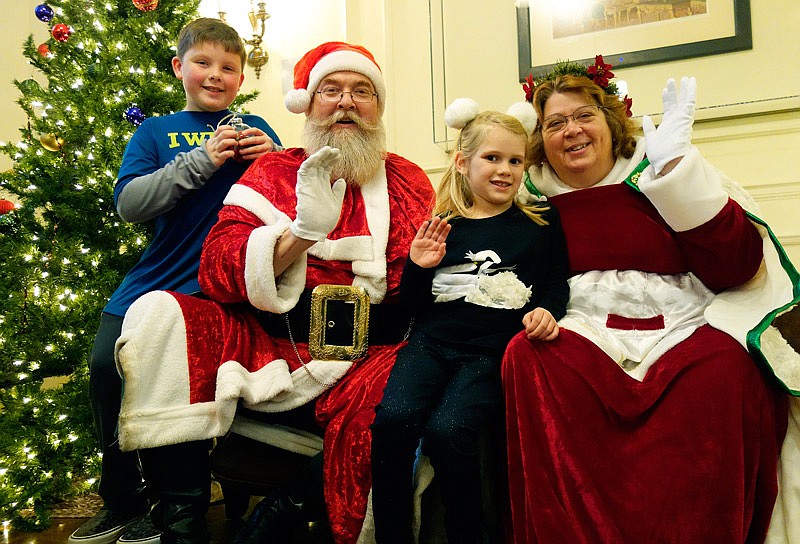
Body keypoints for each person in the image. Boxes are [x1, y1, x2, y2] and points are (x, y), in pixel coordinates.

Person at [112, 41, 436, 544]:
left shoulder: (407, 180)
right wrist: (301, 234)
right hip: (272, 344)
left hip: (371, 351)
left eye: (362, 92)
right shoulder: (273, 171)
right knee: (160, 314)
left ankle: (290, 506)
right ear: (309, 102)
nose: (347, 102)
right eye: (331, 90)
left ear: (378, 107)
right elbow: (217, 267)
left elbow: (420, 285)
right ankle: (181, 524)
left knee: (399, 407)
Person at [502, 56, 800, 543]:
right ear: (541, 138)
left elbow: (737, 266)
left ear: (610, 121)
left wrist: (678, 173)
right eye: (555, 122)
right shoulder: (527, 199)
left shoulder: (660, 167)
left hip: (682, 320)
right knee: (527, 357)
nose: (571, 131)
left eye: (584, 116)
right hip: (580, 324)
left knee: (728, 369)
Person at [68, 17, 281, 544]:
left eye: (228, 67)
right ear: (178, 67)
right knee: (105, 373)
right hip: (153, 280)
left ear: (240, 76)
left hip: (218, 292)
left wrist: (273, 160)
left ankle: (172, 508)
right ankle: (120, 498)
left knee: (182, 385)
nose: (216, 75)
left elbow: (284, 205)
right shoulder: (155, 131)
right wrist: (202, 160)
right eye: (203, 63)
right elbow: (131, 205)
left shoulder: (258, 128)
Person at [370, 102, 569, 544]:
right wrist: (418, 267)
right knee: (393, 422)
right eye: (492, 158)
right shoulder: (443, 226)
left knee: (449, 431)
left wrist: (548, 312)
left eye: (515, 161)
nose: (505, 170)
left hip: (489, 354)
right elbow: (413, 307)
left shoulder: (539, 225)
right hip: (429, 345)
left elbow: (556, 286)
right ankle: (392, 535)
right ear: (463, 163)